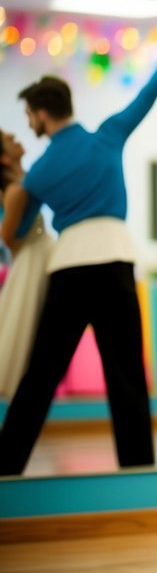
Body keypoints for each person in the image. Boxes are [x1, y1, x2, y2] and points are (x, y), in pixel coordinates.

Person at [0, 32, 157, 475]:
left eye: (29, 116)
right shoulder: (108, 136)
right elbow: (151, 90)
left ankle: (6, 465)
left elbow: (17, 234)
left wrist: (20, 186)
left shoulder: (39, 172)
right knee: (127, 376)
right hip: (116, 262)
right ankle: (138, 470)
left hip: (68, 270)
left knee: (41, 375)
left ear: (42, 113)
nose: (31, 124)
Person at [0, 130, 55, 399]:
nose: (16, 136)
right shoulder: (14, 190)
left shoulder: (28, 180)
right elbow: (8, 237)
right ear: (5, 158)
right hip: (31, 259)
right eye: (10, 140)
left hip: (42, 252)